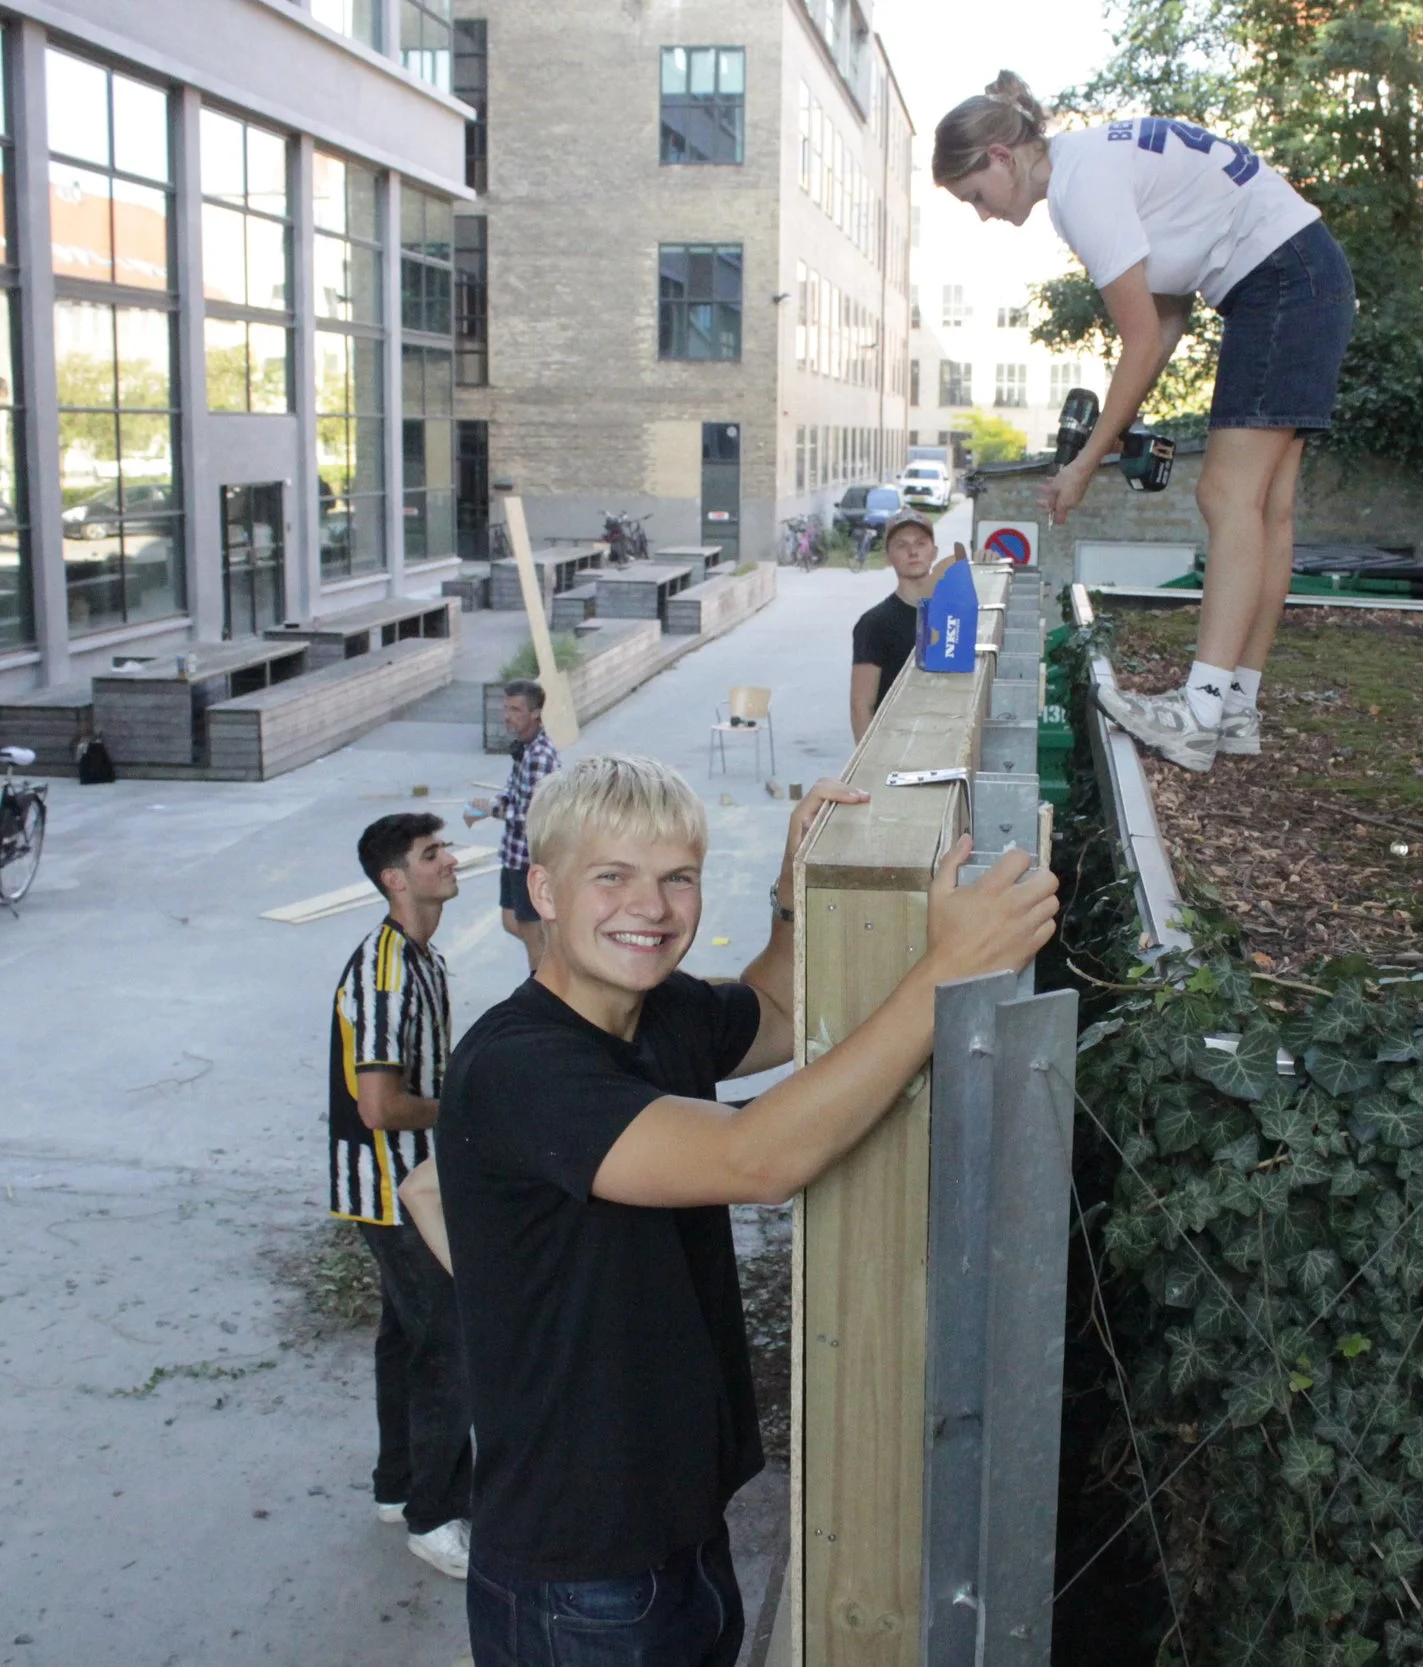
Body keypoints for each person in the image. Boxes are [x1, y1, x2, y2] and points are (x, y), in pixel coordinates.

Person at [416, 754, 1058, 1667]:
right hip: (580, 1575)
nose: (652, 906)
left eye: (678, 877)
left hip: (680, 1533)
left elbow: (780, 1006)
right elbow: (758, 1158)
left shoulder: (658, 1012)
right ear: (544, 889)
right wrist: (952, 971)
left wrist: (791, 893)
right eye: (613, 876)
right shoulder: (520, 1068)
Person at [935, 71, 1356, 774]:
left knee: (1225, 497)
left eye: (976, 195)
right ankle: (1235, 709)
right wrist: (1091, 460)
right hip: (1308, 272)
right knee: (1265, 508)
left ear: (1002, 157)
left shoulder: (1078, 189)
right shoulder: (1094, 161)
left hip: (1280, 282)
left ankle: (1197, 713)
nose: (982, 214)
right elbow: (1163, 330)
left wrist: (1080, 467)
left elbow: (1139, 340)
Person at [327, 813, 472, 1580]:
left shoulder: (422, 958)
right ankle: (436, 1515)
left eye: (444, 847)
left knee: (405, 1336)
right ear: (395, 879)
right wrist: (464, 1110)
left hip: (400, 1186)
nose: (450, 860)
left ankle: (397, 1486)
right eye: (431, 854)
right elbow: (380, 1106)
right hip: (391, 1192)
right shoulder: (386, 972)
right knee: (450, 1339)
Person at [465, 679, 561, 970]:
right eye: (506, 708)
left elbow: (535, 816)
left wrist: (490, 812)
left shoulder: (539, 756)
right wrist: (489, 805)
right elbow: (513, 793)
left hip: (527, 858)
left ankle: (544, 989)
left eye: (516, 709)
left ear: (535, 713)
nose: (508, 715)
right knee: (511, 921)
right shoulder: (523, 747)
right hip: (513, 854)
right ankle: (556, 955)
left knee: (532, 933)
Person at [849, 509, 946, 741]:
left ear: (934, 553)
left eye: (921, 543)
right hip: (895, 747)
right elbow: (861, 706)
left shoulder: (954, 615)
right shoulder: (874, 623)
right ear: (887, 557)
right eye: (901, 545)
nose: (913, 552)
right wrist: (868, 767)